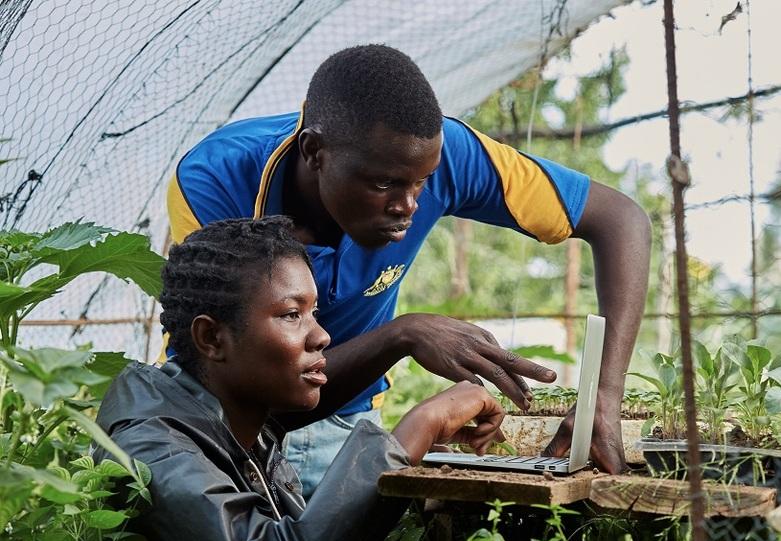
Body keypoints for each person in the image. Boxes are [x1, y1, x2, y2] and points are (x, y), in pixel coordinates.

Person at [167, 44, 651, 495]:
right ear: (315, 153)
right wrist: (403, 336)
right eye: (384, 184)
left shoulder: (442, 155)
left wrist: (603, 396)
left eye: (422, 183)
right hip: (218, 430)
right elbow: (244, 395)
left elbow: (620, 220)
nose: (408, 206)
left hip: (347, 423)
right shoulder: (215, 181)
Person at [94, 217, 505, 541]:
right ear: (211, 337)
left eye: (314, 312)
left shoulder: (236, 426)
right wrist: (421, 424)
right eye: (292, 315)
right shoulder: (153, 449)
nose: (321, 336)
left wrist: (414, 484)